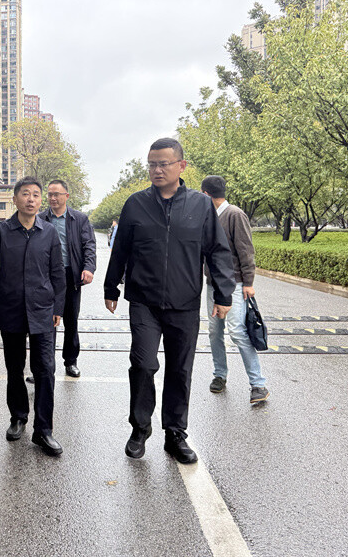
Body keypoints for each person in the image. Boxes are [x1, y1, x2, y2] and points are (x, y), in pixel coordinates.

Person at [104, 138, 236, 464]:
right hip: (144, 302)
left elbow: (217, 252)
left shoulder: (200, 205)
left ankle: (175, 434)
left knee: (180, 370)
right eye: (152, 164)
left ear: (181, 166)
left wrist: (224, 294)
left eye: (163, 164)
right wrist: (111, 288)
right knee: (143, 364)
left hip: (184, 302)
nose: (157, 170)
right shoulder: (136, 204)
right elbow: (121, 249)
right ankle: (140, 428)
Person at [0, 176, 67, 456]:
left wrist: (58, 308)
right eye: (25, 194)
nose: (31, 199)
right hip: (12, 308)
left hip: (43, 310)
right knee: (15, 368)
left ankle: (44, 430)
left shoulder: (48, 232)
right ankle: (18, 417)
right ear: (15, 199)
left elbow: (57, 272)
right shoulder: (0, 231)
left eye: (36, 195)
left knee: (45, 369)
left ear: (41, 201)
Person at [200, 175, 270, 404]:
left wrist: (248, 282)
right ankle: (220, 375)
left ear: (206, 194)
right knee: (214, 331)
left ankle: (258, 384)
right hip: (213, 285)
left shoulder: (235, 214)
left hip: (235, 284)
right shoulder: (208, 217)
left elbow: (246, 250)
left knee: (238, 331)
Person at [38, 179, 96, 378]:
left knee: (71, 321)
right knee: (45, 323)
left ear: (66, 196)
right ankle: (45, 367)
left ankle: (71, 362)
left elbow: (89, 245)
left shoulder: (79, 219)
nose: (53, 198)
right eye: (50, 194)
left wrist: (88, 268)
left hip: (70, 276)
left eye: (57, 194)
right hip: (45, 278)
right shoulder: (40, 218)